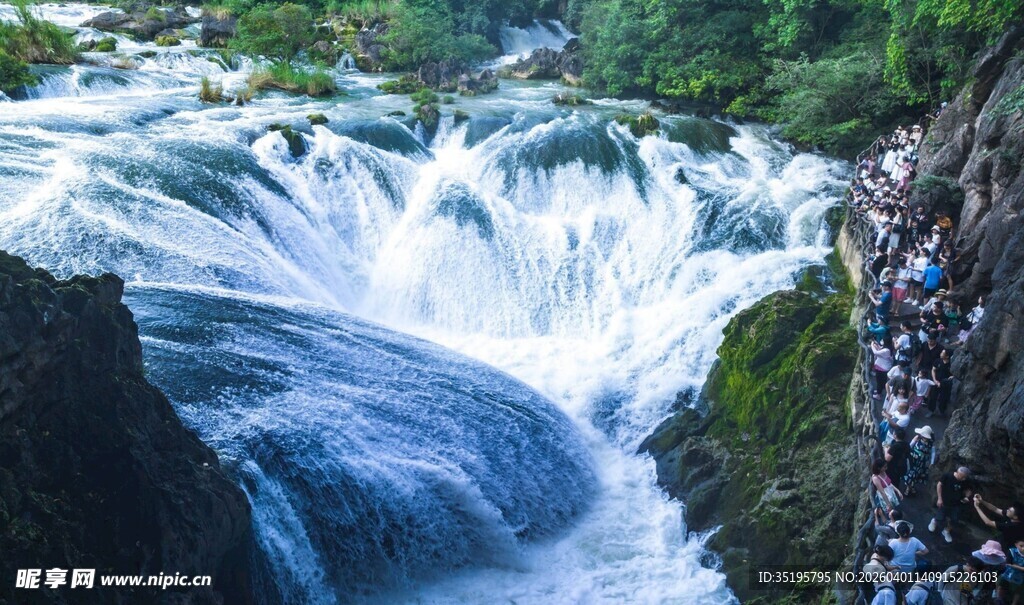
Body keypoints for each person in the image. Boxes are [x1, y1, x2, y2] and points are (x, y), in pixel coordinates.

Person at [931, 466, 974, 543]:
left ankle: (946, 531)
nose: (963, 479)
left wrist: (967, 497)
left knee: (955, 520)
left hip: (957, 503)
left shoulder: (965, 480)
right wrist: (939, 498)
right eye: (962, 477)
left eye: (964, 477)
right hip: (945, 501)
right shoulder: (947, 476)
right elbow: (939, 485)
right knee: (940, 517)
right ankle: (934, 521)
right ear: (957, 473)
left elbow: (968, 490)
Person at [903, 426, 934, 496]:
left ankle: (911, 487)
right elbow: (910, 446)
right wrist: (913, 440)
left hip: (922, 462)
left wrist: (931, 462)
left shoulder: (930, 443)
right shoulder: (917, 439)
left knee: (916, 475)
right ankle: (909, 488)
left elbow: (932, 452)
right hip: (913, 459)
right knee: (910, 474)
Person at [998, 538, 1024, 605]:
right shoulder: (1011, 551)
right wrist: (1020, 567)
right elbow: (1008, 563)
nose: (1023, 548)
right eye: (1021, 546)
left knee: (1018, 591)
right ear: (1016, 545)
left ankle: (1014, 603)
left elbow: (1011, 564)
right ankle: (999, 599)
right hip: (1008, 573)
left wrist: (1014, 565)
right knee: (1001, 585)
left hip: (1020, 577)